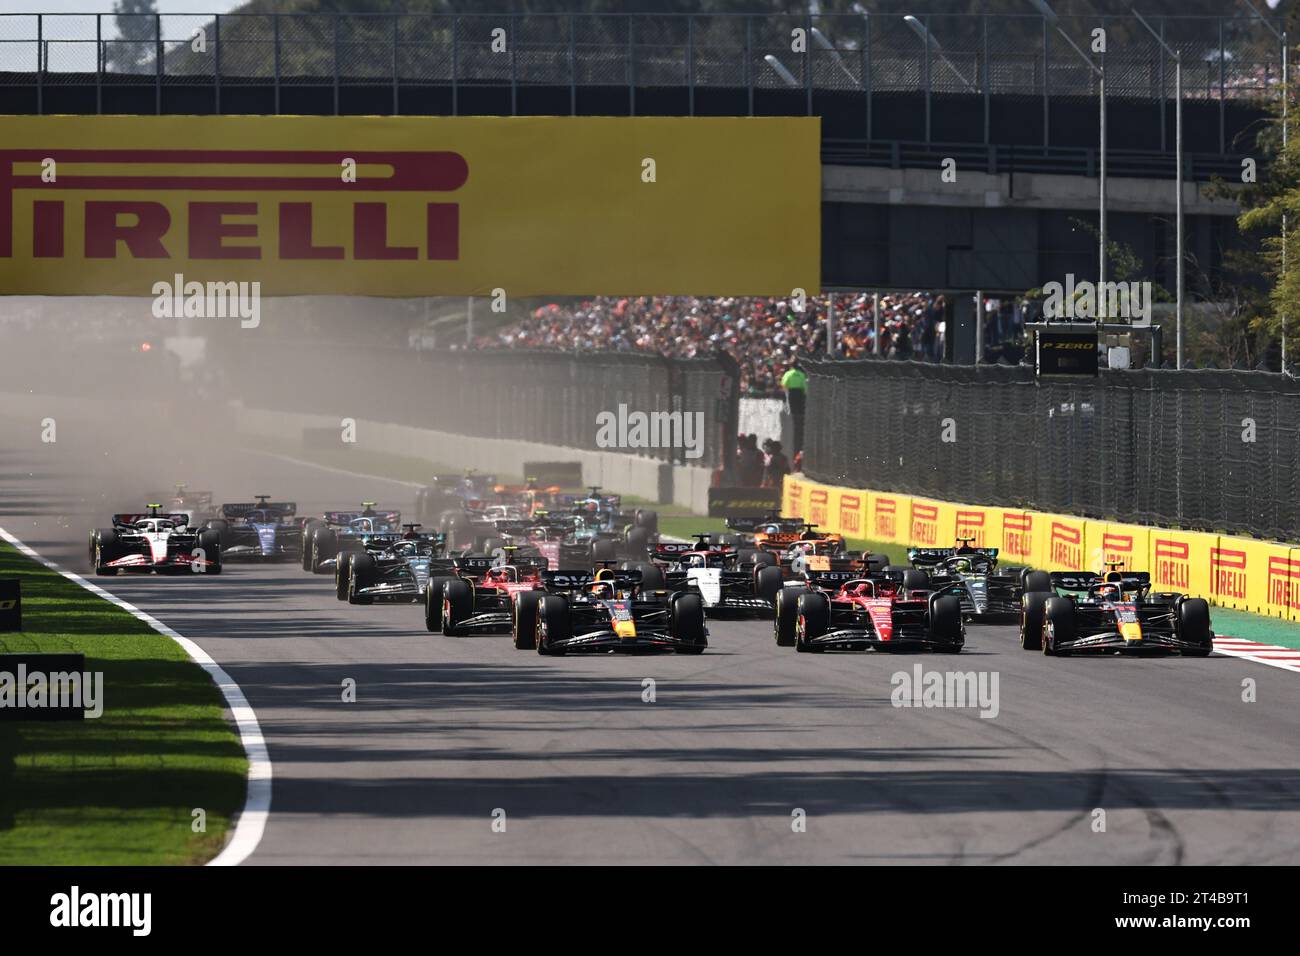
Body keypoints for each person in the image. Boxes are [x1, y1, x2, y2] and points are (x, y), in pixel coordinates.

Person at [779, 361, 807, 454]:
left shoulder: (788, 374)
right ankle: (798, 416)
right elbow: (805, 387)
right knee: (799, 408)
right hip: (799, 392)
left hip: (791, 392)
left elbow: (784, 384)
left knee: (791, 406)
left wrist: (786, 391)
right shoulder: (801, 374)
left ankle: (792, 416)